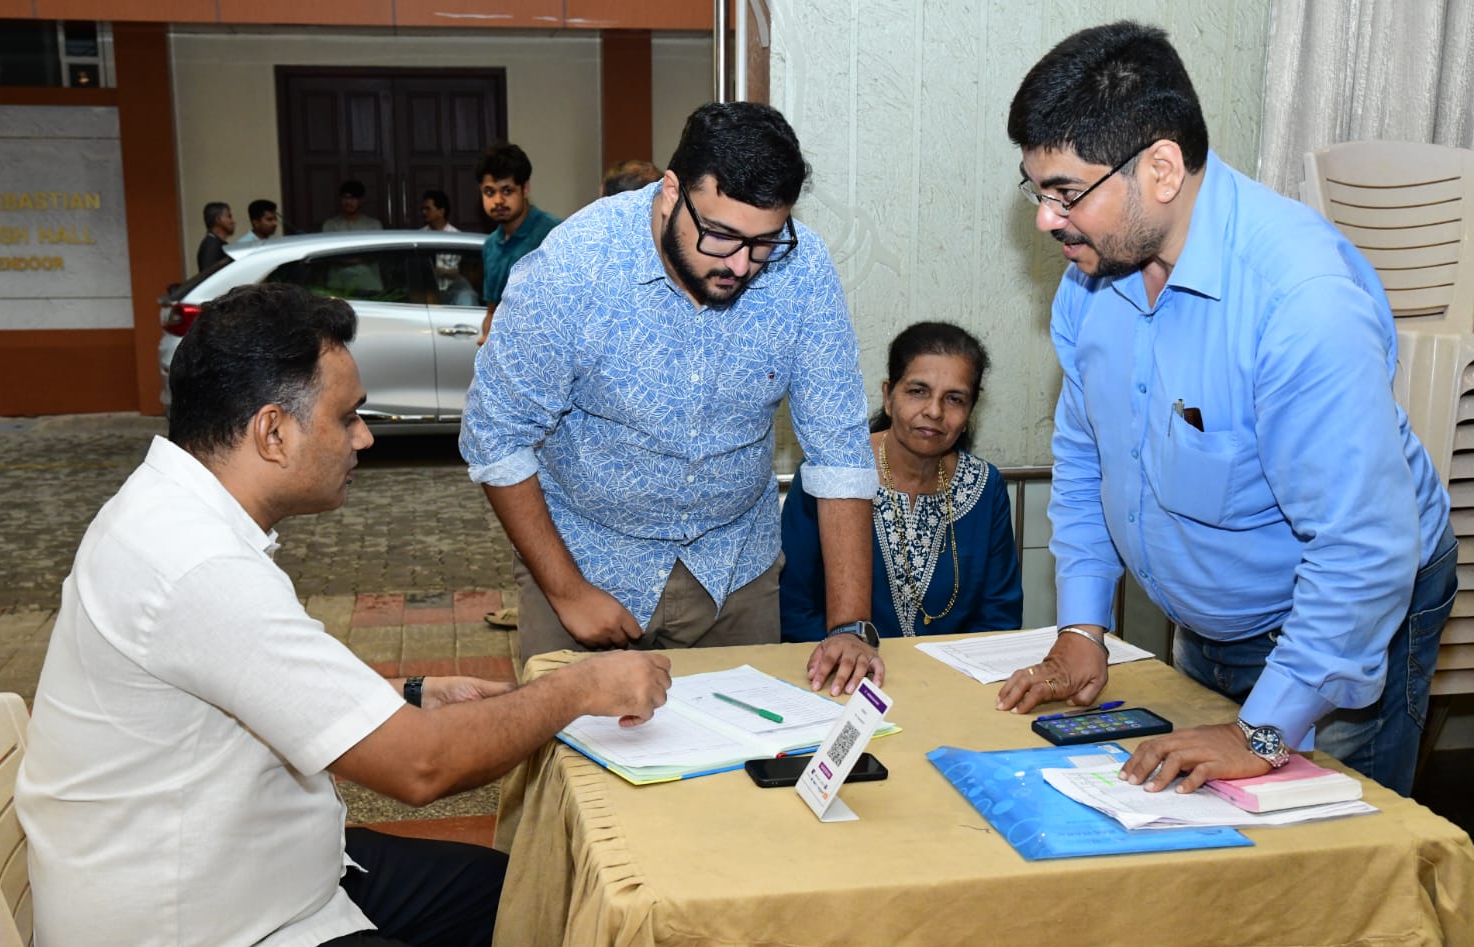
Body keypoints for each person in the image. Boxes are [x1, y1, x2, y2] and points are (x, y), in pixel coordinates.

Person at [15, 283, 671, 947]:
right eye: (347, 416)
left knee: (546, 901)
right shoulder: (194, 564)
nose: (364, 438)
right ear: (272, 432)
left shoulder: (172, 514)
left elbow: (244, 682)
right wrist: (580, 688)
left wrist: (412, 696)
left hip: (255, 883)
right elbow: (422, 768)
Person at [998, 21, 1456, 797]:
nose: (1046, 218)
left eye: (1066, 193)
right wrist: (1081, 625)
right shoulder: (1091, 280)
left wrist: (1262, 732)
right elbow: (1086, 455)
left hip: (1340, 618)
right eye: (1036, 190)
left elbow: (1363, 549)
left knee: (1329, 847)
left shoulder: (1300, 302)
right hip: (1213, 622)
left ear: (1162, 170)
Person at [461, 101, 883, 698]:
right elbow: (495, 435)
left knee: (746, 753)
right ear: (670, 192)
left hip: (735, 575)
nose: (741, 264)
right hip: (585, 568)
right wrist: (568, 593)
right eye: (721, 235)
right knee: (575, 753)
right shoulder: (576, 265)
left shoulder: (802, 269)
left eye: (764, 242)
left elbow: (839, 449)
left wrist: (850, 625)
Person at [781, 321, 1022, 641]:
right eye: (918, 391)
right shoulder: (831, 475)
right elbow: (794, 608)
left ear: (970, 412)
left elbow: (1000, 615)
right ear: (888, 396)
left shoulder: (985, 486)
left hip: (953, 668)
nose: (934, 411)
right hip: (840, 664)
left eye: (954, 399)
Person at [476, 143, 561, 344]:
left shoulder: (554, 234)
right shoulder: (491, 245)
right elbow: (493, 310)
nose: (498, 200)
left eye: (507, 191)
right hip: (506, 355)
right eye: (489, 192)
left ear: (525, 189)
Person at [196, 201, 234, 271]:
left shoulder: (217, 243)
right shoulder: (211, 246)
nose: (233, 221)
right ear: (218, 219)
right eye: (229, 216)